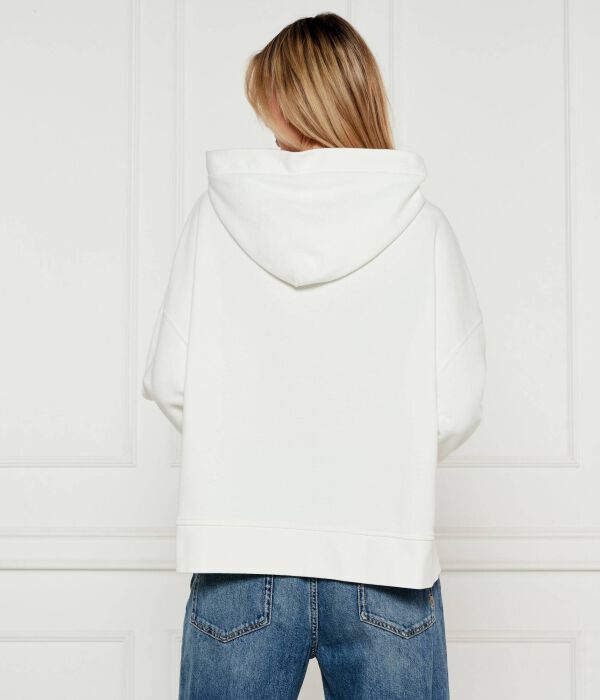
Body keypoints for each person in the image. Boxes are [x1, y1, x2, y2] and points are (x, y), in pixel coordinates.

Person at [142, 12, 486, 700]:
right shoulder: (423, 228)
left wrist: (245, 444)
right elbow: (457, 405)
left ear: (290, 104)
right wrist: (379, 451)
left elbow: (170, 380)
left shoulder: (214, 218)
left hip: (239, 558)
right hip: (385, 558)